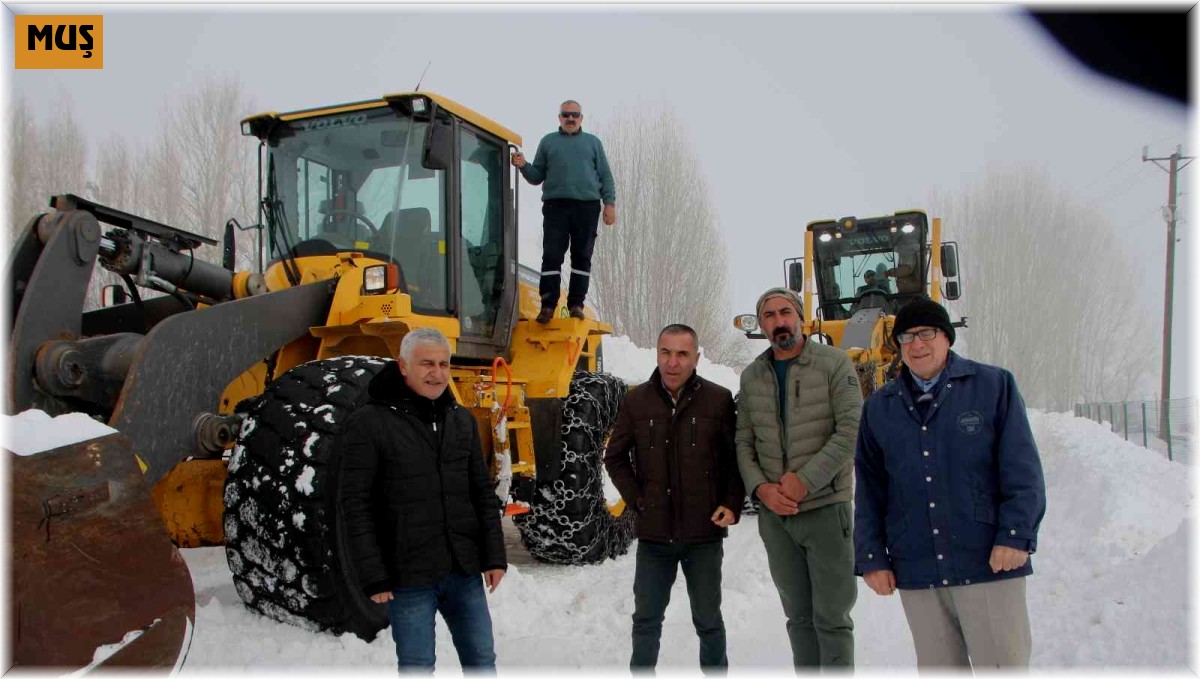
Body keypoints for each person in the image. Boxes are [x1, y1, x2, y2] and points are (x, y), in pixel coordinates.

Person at [854, 297, 1047, 670]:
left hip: (989, 562)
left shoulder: (992, 386)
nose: (917, 344)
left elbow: (1022, 469)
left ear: (947, 337)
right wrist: (873, 557)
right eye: (906, 337)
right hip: (918, 569)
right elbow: (871, 490)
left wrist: (1015, 534)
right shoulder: (880, 407)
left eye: (926, 333)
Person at [339, 327, 507, 672]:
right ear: (403, 366)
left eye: (444, 364)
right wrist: (373, 574)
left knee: (482, 661)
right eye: (427, 364)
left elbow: (480, 492)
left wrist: (493, 556)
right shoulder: (370, 424)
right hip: (408, 575)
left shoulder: (460, 421)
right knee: (417, 666)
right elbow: (355, 504)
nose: (438, 373)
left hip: (462, 571)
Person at [604, 324, 745, 673]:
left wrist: (730, 501)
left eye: (682, 354)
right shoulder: (636, 401)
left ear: (696, 358)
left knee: (709, 620)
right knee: (646, 621)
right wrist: (637, 498)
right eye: (666, 352)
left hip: (704, 535)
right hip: (655, 537)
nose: (673, 362)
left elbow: (735, 460)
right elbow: (615, 456)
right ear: (657, 354)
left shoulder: (718, 399)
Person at [735, 287, 863, 668]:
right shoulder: (753, 375)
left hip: (826, 509)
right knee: (799, 619)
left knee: (833, 619)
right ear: (762, 325)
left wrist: (805, 479)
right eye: (769, 316)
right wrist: (761, 489)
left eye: (785, 312)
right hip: (778, 520)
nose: (779, 321)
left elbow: (851, 429)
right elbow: (743, 441)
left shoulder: (834, 364)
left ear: (801, 317)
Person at [512, 99, 617, 323]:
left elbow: (606, 176)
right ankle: (548, 305)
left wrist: (610, 204)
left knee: (582, 257)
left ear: (581, 118)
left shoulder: (593, 143)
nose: (570, 118)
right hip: (555, 206)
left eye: (575, 115)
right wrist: (523, 165)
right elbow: (536, 175)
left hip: (587, 206)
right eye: (566, 114)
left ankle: (576, 304)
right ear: (559, 117)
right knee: (552, 255)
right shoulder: (548, 142)